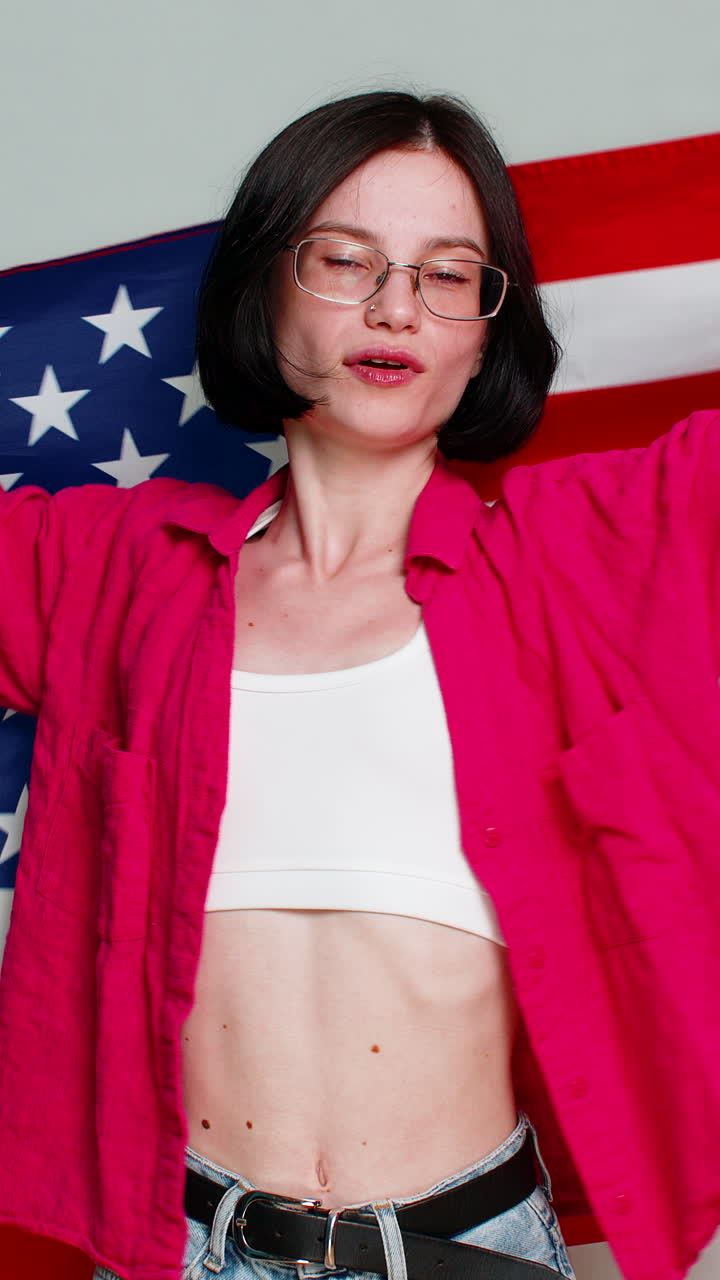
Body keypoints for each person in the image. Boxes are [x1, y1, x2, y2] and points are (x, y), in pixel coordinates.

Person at [0, 90, 717, 1280]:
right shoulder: (115, 568)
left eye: (448, 274)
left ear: (489, 326)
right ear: (263, 285)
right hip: (178, 1247)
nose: (395, 307)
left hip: (469, 1247)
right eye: (345, 260)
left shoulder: (578, 555)